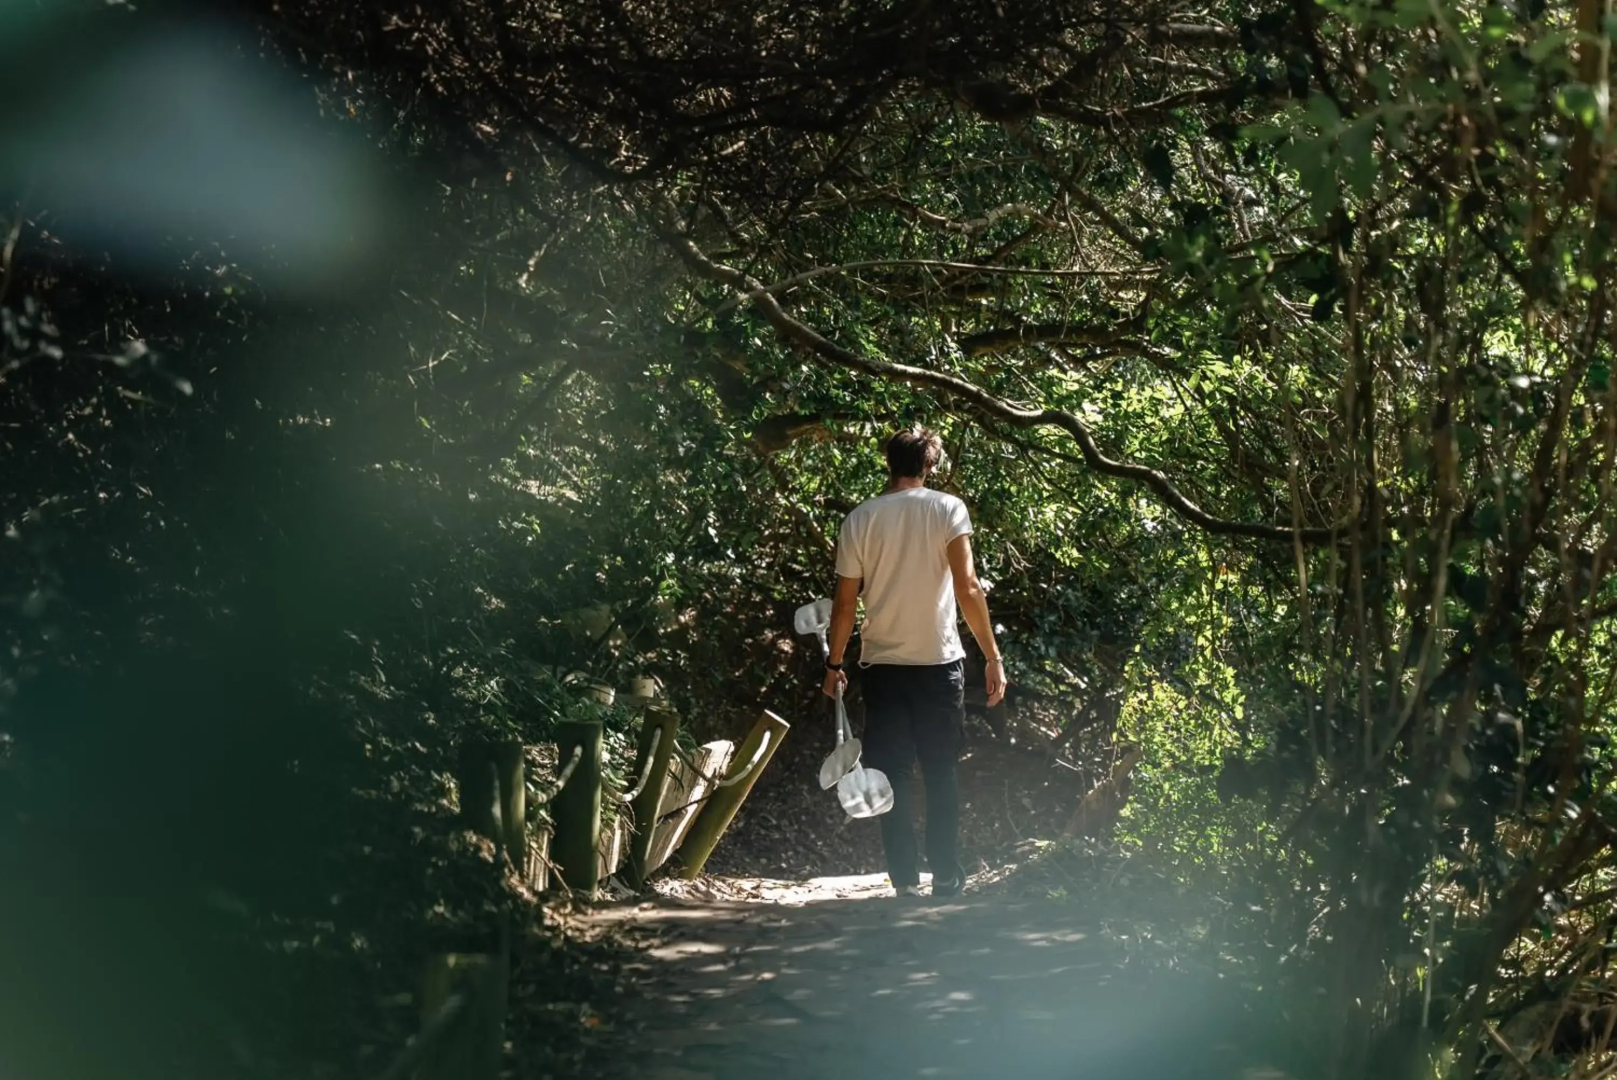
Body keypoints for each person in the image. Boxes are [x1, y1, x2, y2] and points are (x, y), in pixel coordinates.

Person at [822, 427, 1007, 898]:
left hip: (882, 665)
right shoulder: (948, 509)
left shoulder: (859, 519)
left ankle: (904, 881)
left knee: (892, 774)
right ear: (930, 465)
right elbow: (968, 587)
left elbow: (845, 605)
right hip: (939, 664)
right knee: (941, 770)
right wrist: (992, 656)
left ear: (889, 463)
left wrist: (834, 664)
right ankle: (944, 874)